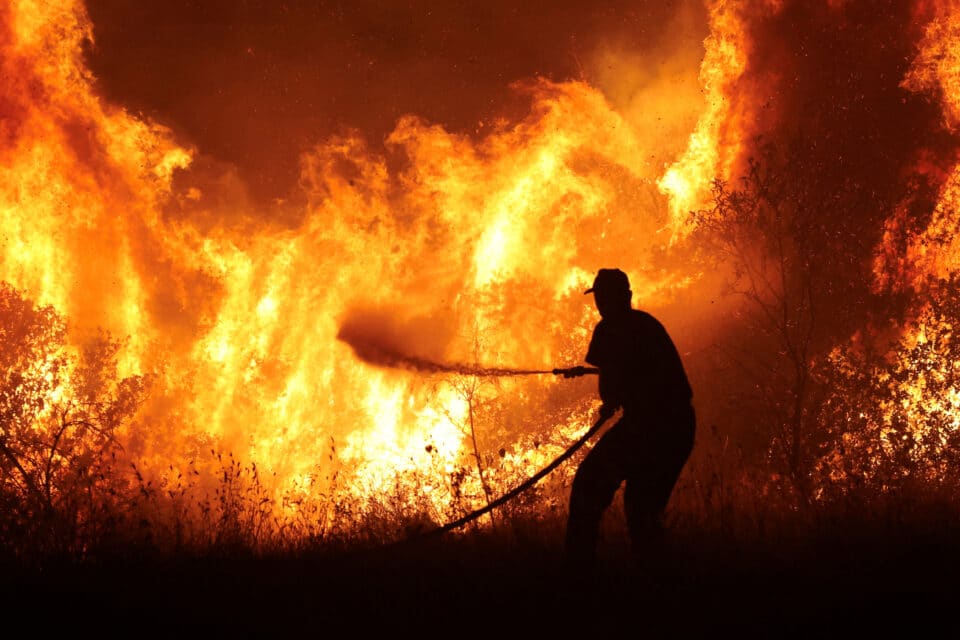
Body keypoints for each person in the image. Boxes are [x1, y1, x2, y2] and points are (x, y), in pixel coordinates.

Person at [563, 268, 695, 574]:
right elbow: (643, 371)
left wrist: (608, 399)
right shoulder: (647, 324)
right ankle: (656, 583)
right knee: (643, 512)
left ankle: (576, 576)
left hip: (648, 427)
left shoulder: (609, 329)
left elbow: (610, 392)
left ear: (617, 298)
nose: (600, 304)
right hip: (679, 426)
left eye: (602, 297)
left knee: (588, 486)